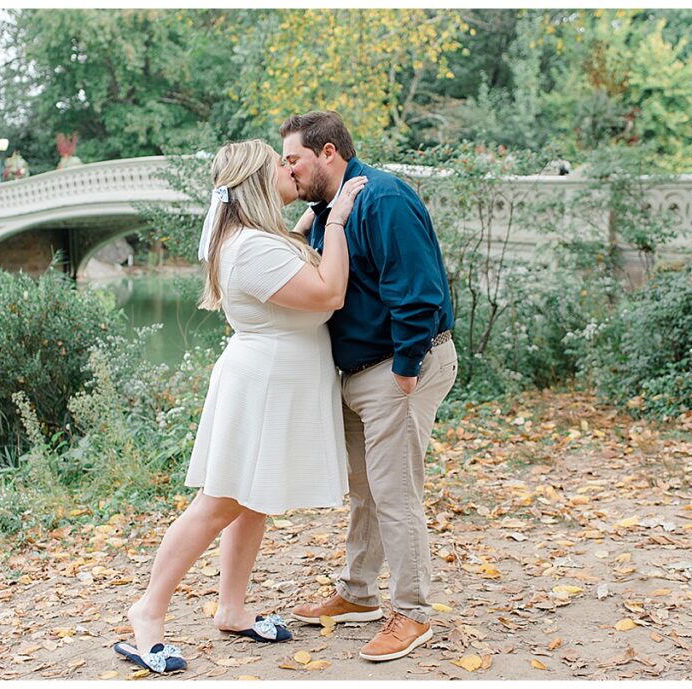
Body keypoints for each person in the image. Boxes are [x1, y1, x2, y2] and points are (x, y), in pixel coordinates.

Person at [113, 139, 367, 673]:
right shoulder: (251, 246)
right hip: (265, 382)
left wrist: (303, 227)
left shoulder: (258, 237)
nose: (288, 166)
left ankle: (231, 608)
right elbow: (328, 295)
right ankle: (147, 612)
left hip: (279, 377)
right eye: (279, 163)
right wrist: (338, 221)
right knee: (221, 501)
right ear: (257, 179)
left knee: (255, 499)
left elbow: (290, 260)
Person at [281, 111, 457, 663]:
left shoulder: (383, 198)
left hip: (397, 368)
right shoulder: (326, 212)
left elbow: (419, 288)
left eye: (294, 159)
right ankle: (358, 594)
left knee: (395, 491)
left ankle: (413, 612)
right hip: (357, 372)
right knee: (365, 488)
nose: (288, 170)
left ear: (327, 152)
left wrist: (406, 365)